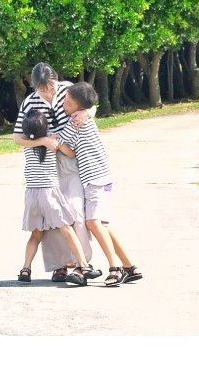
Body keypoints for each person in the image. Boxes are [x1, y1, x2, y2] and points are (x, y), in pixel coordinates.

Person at [12, 63, 101, 282]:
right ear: (34, 87)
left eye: (51, 87)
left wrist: (87, 113)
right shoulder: (29, 102)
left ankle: (83, 263)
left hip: (70, 157)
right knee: (53, 220)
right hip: (46, 162)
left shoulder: (68, 89)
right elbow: (17, 138)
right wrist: (44, 141)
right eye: (44, 90)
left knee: (75, 212)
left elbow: (90, 104)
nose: (50, 93)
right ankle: (59, 266)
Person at [57, 81, 143, 287]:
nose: (63, 104)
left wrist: (44, 138)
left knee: (92, 222)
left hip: (95, 179)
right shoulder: (82, 116)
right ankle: (130, 266)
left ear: (79, 108)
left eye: (68, 103)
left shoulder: (76, 121)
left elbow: (61, 141)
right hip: (100, 178)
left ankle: (115, 269)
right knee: (102, 224)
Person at [17, 109, 91, 286]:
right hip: (49, 193)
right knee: (66, 229)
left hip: (31, 194)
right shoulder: (53, 142)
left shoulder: (27, 144)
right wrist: (56, 138)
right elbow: (71, 153)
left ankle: (25, 269)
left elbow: (21, 138)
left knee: (36, 235)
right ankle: (84, 265)